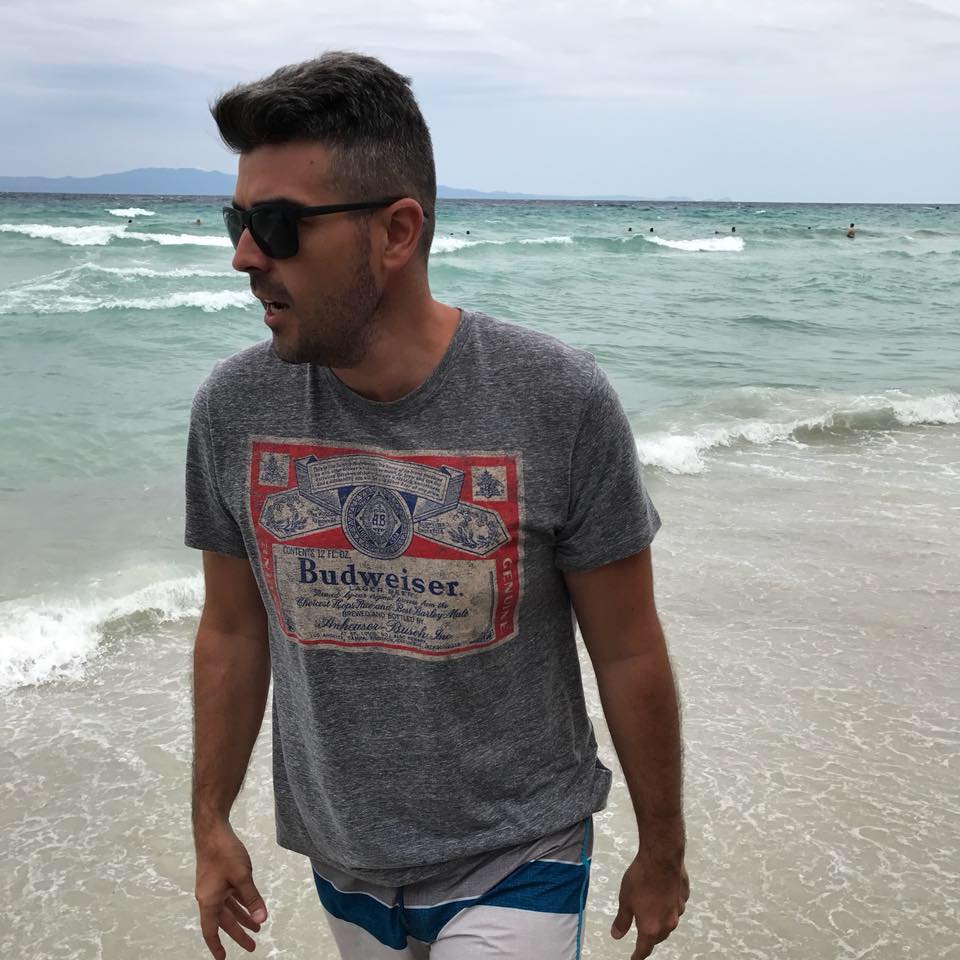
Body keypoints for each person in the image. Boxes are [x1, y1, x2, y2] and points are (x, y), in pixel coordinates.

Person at [186, 50, 687, 960]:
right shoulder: (234, 407)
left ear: (397, 231)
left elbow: (627, 646)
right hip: (343, 854)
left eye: (277, 225)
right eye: (238, 220)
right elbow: (231, 629)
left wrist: (663, 849)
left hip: (519, 848)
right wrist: (209, 821)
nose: (244, 255)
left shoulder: (557, 399)